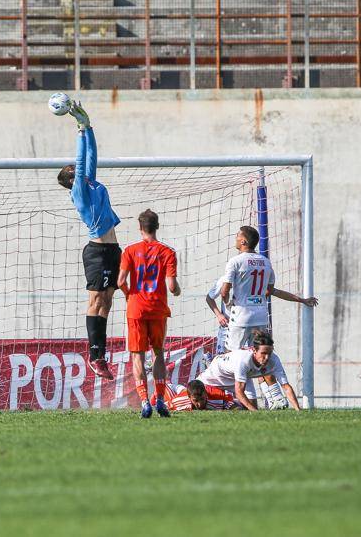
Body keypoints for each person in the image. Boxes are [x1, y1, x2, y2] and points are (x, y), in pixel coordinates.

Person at [57, 100, 121, 380]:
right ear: (71, 179)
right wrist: (78, 130)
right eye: (73, 170)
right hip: (96, 251)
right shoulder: (79, 192)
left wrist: (88, 128)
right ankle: (94, 355)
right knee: (96, 300)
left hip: (113, 249)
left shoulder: (91, 184)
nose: (77, 168)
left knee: (108, 302)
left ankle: (101, 355)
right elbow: (82, 164)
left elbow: (91, 157)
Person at [117, 209, 180, 418]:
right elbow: (172, 286)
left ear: (140, 227)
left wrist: (129, 295)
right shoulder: (168, 252)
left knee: (138, 356)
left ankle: (145, 401)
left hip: (136, 309)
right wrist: (177, 290)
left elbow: (120, 282)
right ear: (157, 226)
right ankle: (160, 399)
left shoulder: (130, 251)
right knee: (158, 353)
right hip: (158, 309)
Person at [219, 226, 318, 352]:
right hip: (261, 317)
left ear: (243, 241)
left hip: (241, 317)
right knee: (260, 357)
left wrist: (228, 304)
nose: (235, 238)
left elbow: (224, 292)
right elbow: (271, 291)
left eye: (237, 236)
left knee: (230, 357)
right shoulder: (266, 262)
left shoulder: (235, 261)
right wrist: (302, 300)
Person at [195, 329, 301, 411]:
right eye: (263, 353)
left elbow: (286, 387)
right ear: (254, 350)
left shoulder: (274, 359)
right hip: (217, 374)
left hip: (239, 376)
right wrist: (256, 413)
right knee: (195, 395)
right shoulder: (244, 360)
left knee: (249, 408)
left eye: (269, 353)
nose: (267, 357)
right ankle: (210, 361)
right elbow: (239, 391)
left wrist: (298, 410)